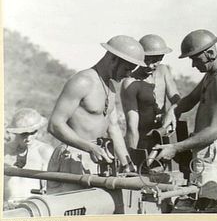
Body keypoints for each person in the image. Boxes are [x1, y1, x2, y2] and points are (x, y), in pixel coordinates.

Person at [47, 35, 146, 193]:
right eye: (127, 69)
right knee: (73, 211)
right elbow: (54, 125)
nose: (128, 74)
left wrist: (127, 164)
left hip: (97, 157)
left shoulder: (111, 88)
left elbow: (113, 128)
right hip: (73, 157)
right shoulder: (83, 81)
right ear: (113, 58)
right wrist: (89, 147)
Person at [154, 29, 217, 200]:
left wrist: (175, 147)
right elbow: (191, 98)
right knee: (201, 203)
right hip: (207, 148)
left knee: (212, 206)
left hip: (215, 150)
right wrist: (174, 110)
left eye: (195, 59)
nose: (193, 65)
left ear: (210, 53)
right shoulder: (211, 74)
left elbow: (216, 130)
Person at [121, 34, 180, 153]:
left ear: (161, 58)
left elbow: (177, 100)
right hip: (142, 141)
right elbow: (132, 127)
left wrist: (171, 111)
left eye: (154, 61)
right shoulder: (130, 83)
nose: (149, 65)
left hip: (164, 137)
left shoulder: (163, 71)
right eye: (145, 60)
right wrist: (134, 155)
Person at [4, 108, 53, 209]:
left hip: (33, 206)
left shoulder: (44, 151)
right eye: (24, 134)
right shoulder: (4, 150)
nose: (29, 138)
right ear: (16, 132)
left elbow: (48, 187)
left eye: (33, 132)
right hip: (5, 206)